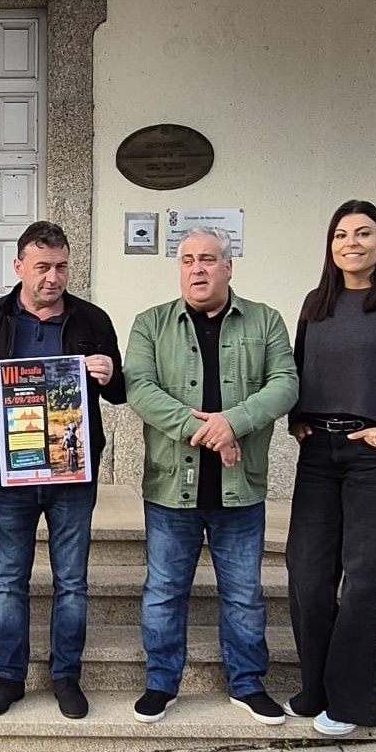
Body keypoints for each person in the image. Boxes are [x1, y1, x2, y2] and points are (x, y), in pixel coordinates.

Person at [0, 220, 126, 720]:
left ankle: (66, 675)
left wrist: (111, 373)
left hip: (72, 471)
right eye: (43, 266)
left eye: (62, 267)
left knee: (72, 580)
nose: (53, 277)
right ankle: (10, 676)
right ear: (19, 266)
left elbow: (118, 390)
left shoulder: (92, 319)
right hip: (9, 473)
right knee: (9, 579)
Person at [124, 227, 298, 726]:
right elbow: (139, 387)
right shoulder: (150, 324)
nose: (196, 268)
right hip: (169, 488)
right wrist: (204, 431)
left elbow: (285, 384)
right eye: (186, 260)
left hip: (239, 487)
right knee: (164, 590)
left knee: (243, 592)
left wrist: (233, 423)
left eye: (207, 259)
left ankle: (247, 682)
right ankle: (161, 682)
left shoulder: (265, 321)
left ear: (228, 266)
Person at [285, 200, 376, 736]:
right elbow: (299, 369)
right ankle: (315, 692)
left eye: (363, 233)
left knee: (365, 580)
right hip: (318, 457)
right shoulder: (315, 303)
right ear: (330, 245)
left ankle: (356, 705)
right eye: (342, 234)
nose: (352, 242)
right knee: (306, 575)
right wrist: (297, 417)